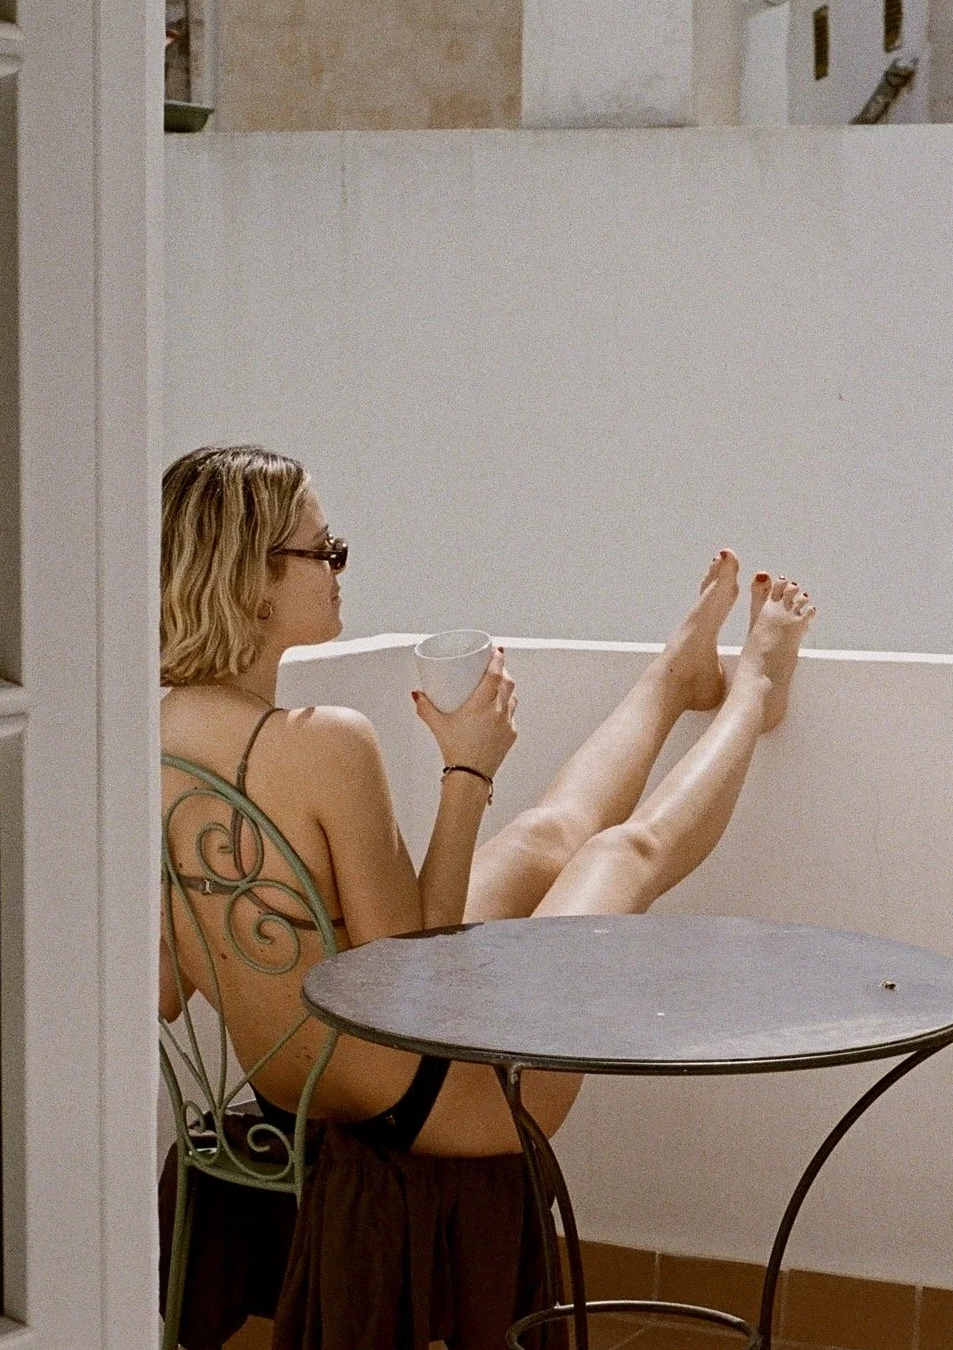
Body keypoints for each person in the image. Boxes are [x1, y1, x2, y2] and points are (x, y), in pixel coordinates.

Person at [156, 444, 815, 1350]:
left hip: (293, 1091)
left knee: (546, 837)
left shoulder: (140, 739)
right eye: (325, 550)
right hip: (433, 1101)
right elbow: (408, 980)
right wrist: (466, 766)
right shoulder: (325, 743)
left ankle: (674, 678)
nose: (342, 568)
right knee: (623, 853)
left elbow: (159, 987)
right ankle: (754, 691)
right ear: (256, 580)